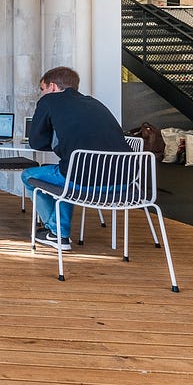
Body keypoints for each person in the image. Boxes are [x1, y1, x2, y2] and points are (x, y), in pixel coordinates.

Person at [22, 66, 132, 251]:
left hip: (83, 182)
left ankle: (57, 232)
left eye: (42, 89)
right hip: (124, 182)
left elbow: (36, 142)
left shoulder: (49, 101)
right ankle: (57, 229)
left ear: (52, 87)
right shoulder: (94, 103)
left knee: (29, 176)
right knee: (66, 171)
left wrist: (57, 143)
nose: (42, 94)